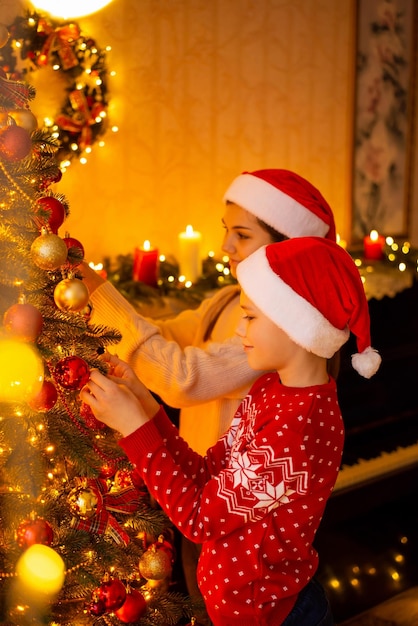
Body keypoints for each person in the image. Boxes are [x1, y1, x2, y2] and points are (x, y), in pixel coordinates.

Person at [80, 237, 381, 626]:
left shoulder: (299, 426)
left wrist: (132, 427)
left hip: (272, 617)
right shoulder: (269, 389)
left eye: (251, 317)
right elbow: (208, 474)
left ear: (298, 322)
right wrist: (147, 407)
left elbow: (199, 520)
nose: (240, 330)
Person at [82, 169, 337, 457]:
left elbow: (182, 380)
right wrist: (93, 311)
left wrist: (99, 293)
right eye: (226, 230)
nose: (225, 246)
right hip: (196, 474)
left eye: (241, 235)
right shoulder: (227, 298)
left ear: (287, 247)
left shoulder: (276, 327)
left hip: (230, 489)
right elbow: (162, 337)